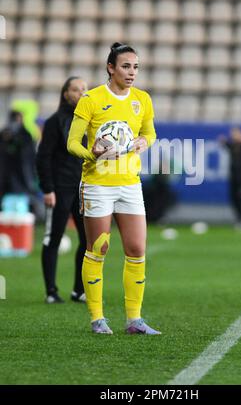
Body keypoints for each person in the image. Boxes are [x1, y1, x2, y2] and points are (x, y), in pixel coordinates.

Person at [67, 42, 161, 335]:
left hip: (130, 184)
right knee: (99, 248)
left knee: (136, 248)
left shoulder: (142, 99)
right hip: (98, 184)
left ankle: (135, 320)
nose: (131, 72)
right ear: (111, 68)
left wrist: (144, 142)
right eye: (125, 66)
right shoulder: (91, 99)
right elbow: (72, 143)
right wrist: (91, 154)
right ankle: (97, 318)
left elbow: (150, 132)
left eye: (135, 67)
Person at [36, 77, 88, 304]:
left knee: (87, 240)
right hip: (59, 188)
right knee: (53, 238)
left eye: (84, 89)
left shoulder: (88, 121)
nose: (81, 93)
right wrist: (48, 189)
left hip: (82, 188)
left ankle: (79, 289)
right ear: (65, 93)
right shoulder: (54, 121)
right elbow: (43, 157)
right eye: (76, 89)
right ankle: (51, 291)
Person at [218, 127, 241, 230]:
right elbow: (225, 144)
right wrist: (223, 141)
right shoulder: (233, 146)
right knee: (233, 199)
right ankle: (238, 218)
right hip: (233, 177)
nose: (234, 135)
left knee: (240, 198)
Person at [0, 110, 37, 204]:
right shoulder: (4, 134)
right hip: (6, 174)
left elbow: (29, 155)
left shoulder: (25, 135)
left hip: (22, 174)